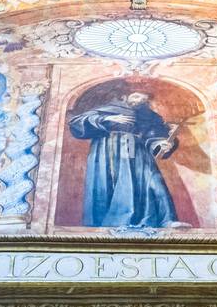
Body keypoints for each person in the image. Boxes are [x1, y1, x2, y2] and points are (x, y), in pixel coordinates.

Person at [69, 90, 183, 229]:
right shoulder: (109, 109)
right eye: (136, 96)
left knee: (154, 181)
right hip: (109, 149)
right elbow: (76, 122)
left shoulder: (148, 116)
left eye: (143, 99)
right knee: (113, 184)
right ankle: (115, 222)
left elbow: (152, 135)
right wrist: (107, 119)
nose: (139, 100)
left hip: (138, 151)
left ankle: (167, 220)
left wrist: (161, 143)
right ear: (124, 96)